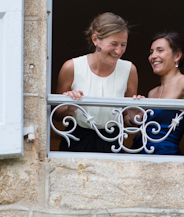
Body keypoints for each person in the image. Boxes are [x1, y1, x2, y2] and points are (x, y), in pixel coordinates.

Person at [54, 12, 139, 152]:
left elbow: (127, 117)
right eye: (113, 44)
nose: (118, 51)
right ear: (95, 40)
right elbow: (56, 115)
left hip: (113, 141)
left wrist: (134, 115)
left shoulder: (129, 69)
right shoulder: (71, 67)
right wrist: (70, 107)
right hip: (76, 139)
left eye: (123, 45)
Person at [134, 31, 184, 155]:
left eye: (160, 50)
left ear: (177, 56)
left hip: (166, 155)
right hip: (143, 153)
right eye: (151, 52)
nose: (153, 56)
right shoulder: (152, 92)